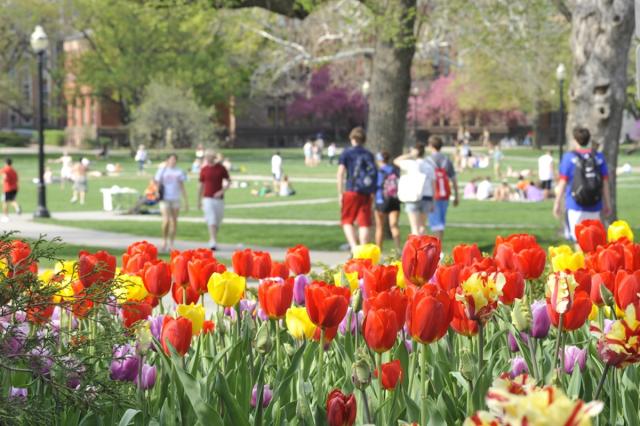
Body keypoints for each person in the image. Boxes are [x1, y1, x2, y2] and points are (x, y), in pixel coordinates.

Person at [553, 127, 611, 241]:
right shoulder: (598, 157)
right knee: (593, 242)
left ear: (575, 140)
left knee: (578, 241)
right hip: (595, 205)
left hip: (575, 205)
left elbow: (563, 182)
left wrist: (557, 203)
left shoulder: (569, 158)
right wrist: (607, 203)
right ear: (589, 140)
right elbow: (605, 182)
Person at [337, 127, 377, 253]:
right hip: (365, 192)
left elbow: (341, 173)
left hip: (351, 190)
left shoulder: (346, 153)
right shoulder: (369, 154)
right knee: (364, 223)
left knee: (347, 220)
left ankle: (354, 247)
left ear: (352, 138)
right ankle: (363, 249)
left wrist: (340, 192)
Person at [394, 143, 436, 236]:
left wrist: (410, 155)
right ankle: (423, 247)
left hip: (413, 195)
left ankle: (416, 248)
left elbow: (396, 161)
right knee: (422, 227)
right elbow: (433, 185)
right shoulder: (429, 166)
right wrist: (433, 201)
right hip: (427, 197)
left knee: (414, 227)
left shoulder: (410, 164)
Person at [427, 136, 459, 241]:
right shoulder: (446, 160)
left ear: (431, 146)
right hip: (444, 194)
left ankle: (436, 248)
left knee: (435, 223)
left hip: (432, 194)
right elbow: (454, 179)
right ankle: (439, 246)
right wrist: (457, 195)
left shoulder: (428, 161)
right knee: (441, 222)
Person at [155, 153, 189, 252]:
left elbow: (182, 186)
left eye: (174, 159)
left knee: (174, 221)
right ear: (168, 160)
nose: (173, 161)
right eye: (171, 159)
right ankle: (164, 240)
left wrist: (186, 201)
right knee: (166, 220)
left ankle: (171, 243)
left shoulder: (179, 171)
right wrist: (157, 191)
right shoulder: (162, 170)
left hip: (175, 198)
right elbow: (157, 183)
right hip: (165, 198)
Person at [198, 151, 230, 251]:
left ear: (214, 157)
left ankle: (213, 239)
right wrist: (198, 200)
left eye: (209, 156)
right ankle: (213, 241)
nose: (207, 158)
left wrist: (222, 191)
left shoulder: (221, 168)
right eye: (206, 156)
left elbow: (229, 181)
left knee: (218, 220)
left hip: (219, 199)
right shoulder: (204, 169)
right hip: (207, 198)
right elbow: (201, 185)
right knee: (211, 219)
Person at [374, 151, 401, 251]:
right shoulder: (395, 170)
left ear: (380, 160)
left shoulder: (379, 171)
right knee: (394, 225)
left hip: (381, 200)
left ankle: (378, 250)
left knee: (380, 227)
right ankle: (398, 249)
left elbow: (376, 185)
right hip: (394, 199)